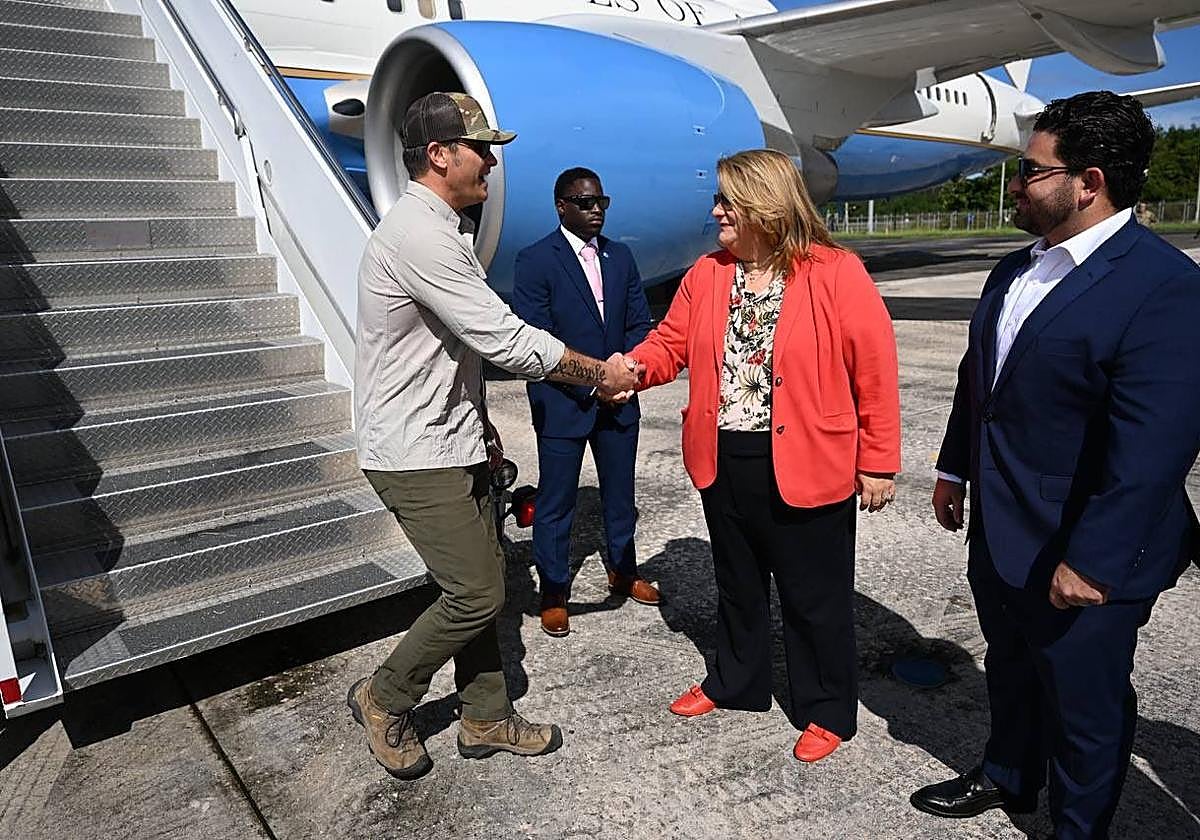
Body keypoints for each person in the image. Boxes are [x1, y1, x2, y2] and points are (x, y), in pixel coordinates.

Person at [910, 91, 1200, 839]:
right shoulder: (1015, 268)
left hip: (1086, 549)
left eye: (1031, 172)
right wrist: (953, 470)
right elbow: (983, 382)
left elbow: (1156, 448)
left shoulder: (1164, 288)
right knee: (1008, 669)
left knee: (1085, 708)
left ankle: (1079, 829)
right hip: (1002, 528)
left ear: (1089, 182)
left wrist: (1094, 563)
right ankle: (1009, 775)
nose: (1014, 185)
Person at [348, 92, 640, 781]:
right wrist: (598, 373)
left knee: (489, 588)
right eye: (480, 147)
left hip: (455, 442)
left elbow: (451, 352)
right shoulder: (419, 235)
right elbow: (503, 339)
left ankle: (485, 716)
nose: (491, 159)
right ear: (438, 155)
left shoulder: (443, 228)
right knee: (475, 593)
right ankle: (384, 698)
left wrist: (480, 428)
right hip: (417, 454)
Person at [626, 148, 900, 763]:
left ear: (765, 208)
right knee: (738, 586)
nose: (717, 212)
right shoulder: (708, 273)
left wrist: (878, 459)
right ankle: (736, 683)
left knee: (815, 597)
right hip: (723, 459)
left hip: (812, 461)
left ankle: (826, 708)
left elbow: (874, 369)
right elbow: (669, 343)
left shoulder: (834, 271)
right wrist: (633, 367)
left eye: (728, 201)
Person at [512, 167, 658, 637]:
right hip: (562, 402)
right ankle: (553, 592)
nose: (596, 210)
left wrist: (627, 371)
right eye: (585, 202)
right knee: (556, 501)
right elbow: (536, 337)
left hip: (620, 399)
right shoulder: (536, 260)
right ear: (562, 206)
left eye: (602, 202)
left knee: (621, 495)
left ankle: (624, 569)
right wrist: (594, 382)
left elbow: (639, 321)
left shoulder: (621, 257)